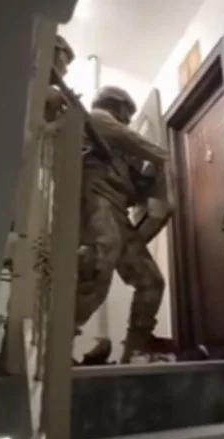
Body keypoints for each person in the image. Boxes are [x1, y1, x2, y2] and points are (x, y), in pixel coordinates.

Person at [75, 86, 172, 364]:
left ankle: (135, 350)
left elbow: (131, 190)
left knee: (151, 282)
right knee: (96, 274)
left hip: (117, 212)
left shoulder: (115, 147)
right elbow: (139, 144)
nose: (129, 120)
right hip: (97, 204)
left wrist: (147, 184)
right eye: (127, 113)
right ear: (115, 105)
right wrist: (164, 157)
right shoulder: (98, 118)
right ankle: (57, 345)